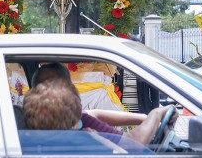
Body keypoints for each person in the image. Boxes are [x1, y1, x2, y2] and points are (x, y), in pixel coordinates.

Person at [31, 62, 178, 145]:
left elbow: (93, 114)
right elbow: (134, 144)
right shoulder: (80, 131)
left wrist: (143, 118)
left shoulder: (26, 122)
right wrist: (156, 114)